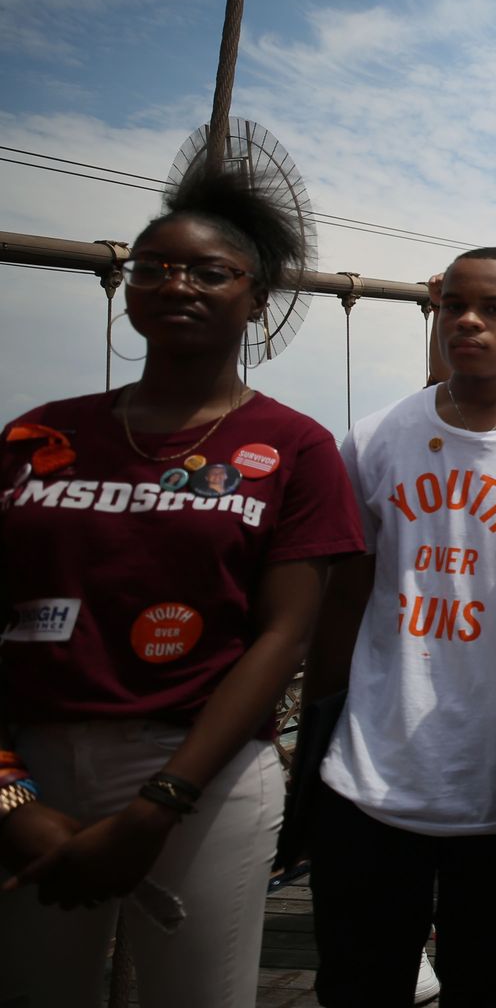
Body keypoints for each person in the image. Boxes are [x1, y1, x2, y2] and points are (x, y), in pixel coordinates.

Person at [0, 163, 363, 1007]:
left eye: (209, 272)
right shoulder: (38, 434)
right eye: (153, 268)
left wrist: (159, 805)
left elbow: (285, 635)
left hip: (203, 769)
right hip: (32, 761)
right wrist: (10, 796)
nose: (177, 285)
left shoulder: (296, 447)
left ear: (257, 297)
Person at [304, 247, 496, 1007]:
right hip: (368, 775)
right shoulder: (376, 437)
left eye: (495, 308)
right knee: (357, 985)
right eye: (453, 306)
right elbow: (343, 601)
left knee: (481, 980)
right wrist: (312, 747)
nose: (468, 322)